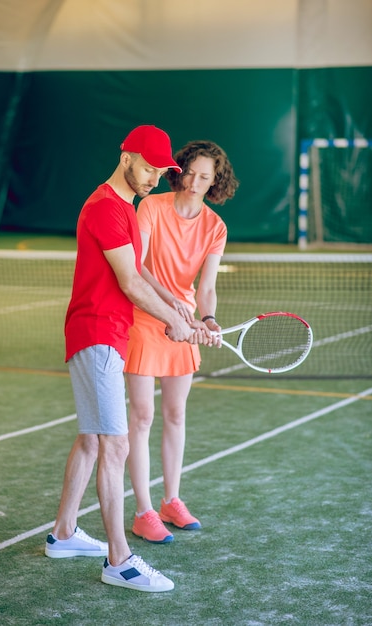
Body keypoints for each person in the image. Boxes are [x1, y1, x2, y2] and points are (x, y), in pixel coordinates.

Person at [44, 125, 214, 593]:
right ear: (125, 157)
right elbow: (128, 283)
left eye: (161, 172)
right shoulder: (105, 207)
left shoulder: (125, 206)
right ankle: (120, 560)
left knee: (92, 441)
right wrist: (173, 323)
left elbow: (141, 272)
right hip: (97, 331)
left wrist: (181, 307)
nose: (154, 179)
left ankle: (62, 534)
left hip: (108, 334)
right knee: (115, 444)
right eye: (147, 168)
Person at [124, 140, 239, 543]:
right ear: (179, 170)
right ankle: (142, 511)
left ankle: (171, 501)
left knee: (175, 415)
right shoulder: (152, 207)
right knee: (141, 417)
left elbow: (206, 287)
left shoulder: (215, 228)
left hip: (186, 324)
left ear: (215, 182)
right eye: (189, 172)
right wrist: (170, 304)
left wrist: (206, 319)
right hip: (144, 315)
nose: (194, 182)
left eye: (204, 177)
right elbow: (135, 266)